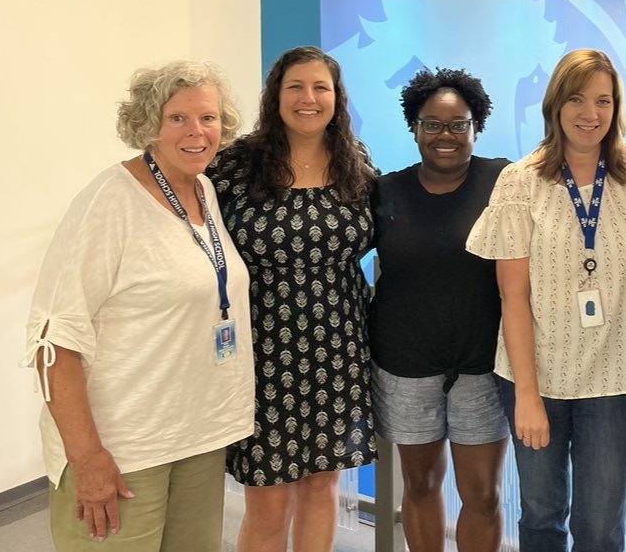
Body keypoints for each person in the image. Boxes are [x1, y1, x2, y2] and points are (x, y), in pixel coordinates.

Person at [22, 61, 254, 551]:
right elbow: (54, 339)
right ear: (149, 124)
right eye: (178, 119)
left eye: (208, 118)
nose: (196, 132)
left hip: (194, 437)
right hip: (124, 448)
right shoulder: (110, 200)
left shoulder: (204, 190)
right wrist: (87, 459)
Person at [467, 49, 626, 552]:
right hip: (537, 379)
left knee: (600, 526)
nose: (590, 113)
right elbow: (513, 298)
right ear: (555, 105)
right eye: (577, 98)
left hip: (613, 382)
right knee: (542, 515)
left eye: (603, 100)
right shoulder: (520, 181)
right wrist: (528, 396)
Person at [208, 46, 378, 552]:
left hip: (339, 347)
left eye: (320, 88)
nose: (309, 99)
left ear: (337, 97)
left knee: (323, 486)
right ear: (275, 96)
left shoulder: (356, 163)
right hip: (262, 350)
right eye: (296, 87)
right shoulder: (235, 165)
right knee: (268, 496)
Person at [369, 68, 510, 552]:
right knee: (422, 485)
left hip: (483, 368)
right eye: (432, 124)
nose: (445, 136)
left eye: (458, 124)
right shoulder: (385, 192)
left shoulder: (504, 183)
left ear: (477, 128)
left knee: (484, 496)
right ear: (414, 127)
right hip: (405, 367)